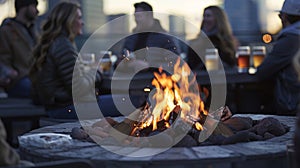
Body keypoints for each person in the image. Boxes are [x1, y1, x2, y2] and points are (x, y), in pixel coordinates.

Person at [30, 2, 127, 119]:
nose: (82, 22)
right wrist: (97, 71)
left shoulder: (57, 42)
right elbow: (78, 88)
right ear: (69, 21)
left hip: (59, 105)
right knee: (130, 102)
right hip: (65, 108)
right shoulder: (63, 45)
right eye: (79, 18)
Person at [256, 0, 300, 115]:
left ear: (285, 17)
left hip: (292, 105)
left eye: (280, 16)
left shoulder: (291, 38)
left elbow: (263, 71)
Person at [115, 1, 180, 73]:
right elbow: (121, 59)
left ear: (149, 16)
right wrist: (121, 63)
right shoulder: (131, 38)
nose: (136, 20)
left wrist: (149, 66)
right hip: (130, 80)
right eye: (135, 16)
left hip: (154, 80)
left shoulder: (165, 38)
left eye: (139, 16)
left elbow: (176, 63)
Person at [0, 0, 39, 98]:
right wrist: (10, 73)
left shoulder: (34, 31)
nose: (37, 11)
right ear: (24, 7)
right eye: (34, 6)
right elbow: (3, 57)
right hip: (18, 80)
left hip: (35, 78)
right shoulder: (6, 31)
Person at [187, 5, 238, 71]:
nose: (205, 19)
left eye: (208, 16)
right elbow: (192, 67)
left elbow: (232, 65)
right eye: (204, 16)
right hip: (202, 79)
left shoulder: (228, 42)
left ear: (218, 19)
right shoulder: (195, 43)